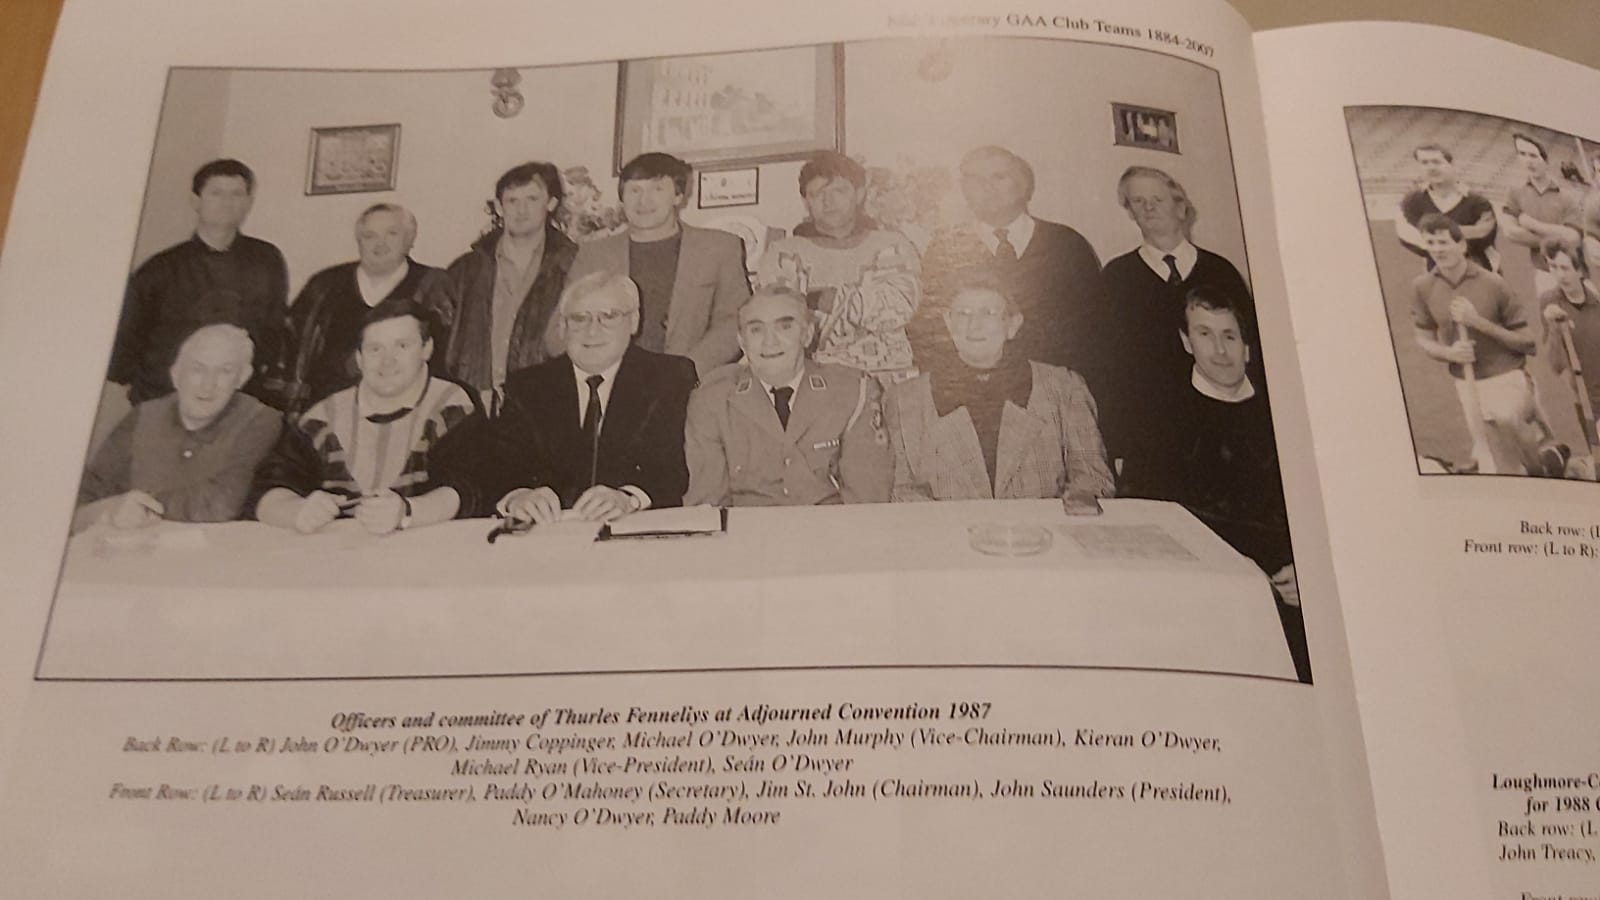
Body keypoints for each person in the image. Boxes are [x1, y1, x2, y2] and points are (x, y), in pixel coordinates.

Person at [1118, 285, 1305, 680]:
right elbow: (1142, 524)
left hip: (1293, 597)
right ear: (1186, 342)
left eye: (1229, 336)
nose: (1220, 352)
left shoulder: (1287, 410)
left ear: (1248, 347)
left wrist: (1309, 571)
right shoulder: (1159, 418)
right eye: (1205, 334)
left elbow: (1325, 510)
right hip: (1198, 600)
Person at [452, 271, 697, 523]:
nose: (592, 331)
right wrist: (519, 495)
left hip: (633, 532)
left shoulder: (668, 377)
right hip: (549, 535)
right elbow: (501, 466)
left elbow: (670, 468)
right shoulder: (528, 386)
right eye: (579, 319)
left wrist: (627, 497)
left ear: (633, 321)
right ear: (561, 327)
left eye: (609, 316)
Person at [883, 269, 1113, 505]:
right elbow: (901, 490)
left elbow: (1093, 479)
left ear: (1013, 324)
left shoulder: (1063, 388)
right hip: (947, 537)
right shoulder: (905, 399)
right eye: (963, 313)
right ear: (948, 323)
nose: (974, 325)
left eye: (988, 313)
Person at [251, 297, 477, 534]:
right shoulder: (323, 417)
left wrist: (408, 511)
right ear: (359, 359)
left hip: (423, 550)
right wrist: (295, 510)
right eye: (375, 349)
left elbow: (468, 486)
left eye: (402, 345)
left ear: (426, 349)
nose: (387, 361)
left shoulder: (452, 404)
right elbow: (268, 487)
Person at [1098, 165, 1257, 467]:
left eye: (1157, 199)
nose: (1148, 207)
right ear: (1130, 212)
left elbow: (1252, 354)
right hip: (1152, 438)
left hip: (1223, 430)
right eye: (1137, 201)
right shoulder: (1116, 277)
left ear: (1181, 207)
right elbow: (1107, 367)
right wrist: (1117, 443)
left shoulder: (1220, 271)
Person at [685, 286, 892, 507]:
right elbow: (707, 508)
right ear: (742, 342)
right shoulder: (712, 400)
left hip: (831, 533)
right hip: (748, 536)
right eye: (756, 330)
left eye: (785, 326)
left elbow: (867, 502)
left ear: (807, 334)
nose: (770, 341)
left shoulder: (852, 392)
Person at [108, 158, 289, 408]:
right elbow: (125, 346)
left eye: (237, 194)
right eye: (216, 193)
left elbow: (273, 328)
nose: (227, 202)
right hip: (167, 399)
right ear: (196, 201)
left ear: (248, 202)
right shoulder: (160, 269)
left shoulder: (266, 259)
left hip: (240, 400)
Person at [73, 323, 281, 534]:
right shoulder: (144, 416)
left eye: (225, 371)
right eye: (198, 369)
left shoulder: (259, 420)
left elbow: (219, 505)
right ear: (176, 374)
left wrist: (138, 506)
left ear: (242, 377)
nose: (208, 386)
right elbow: (85, 495)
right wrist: (107, 510)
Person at [554, 152, 749, 377]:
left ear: (678, 196)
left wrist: (687, 369)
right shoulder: (593, 254)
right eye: (634, 190)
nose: (643, 201)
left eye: (657, 189)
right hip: (616, 386)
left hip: (694, 383)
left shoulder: (719, 247)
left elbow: (735, 321)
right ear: (622, 198)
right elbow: (559, 329)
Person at [914, 145, 1104, 375]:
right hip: (974, 391)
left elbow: (1095, 328)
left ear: (1023, 185)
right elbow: (929, 329)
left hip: (1055, 391)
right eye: (975, 179)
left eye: (999, 177)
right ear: (964, 189)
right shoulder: (945, 247)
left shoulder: (1068, 245)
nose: (987, 188)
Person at [755, 151, 921, 383]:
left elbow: (896, 309)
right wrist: (859, 303)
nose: (828, 201)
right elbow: (782, 323)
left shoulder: (891, 245)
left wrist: (824, 298)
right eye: (817, 194)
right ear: (806, 202)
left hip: (888, 379)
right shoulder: (783, 254)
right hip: (813, 383)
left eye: (839, 191)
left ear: (859, 194)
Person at [1410, 213, 1553, 476]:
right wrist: (1448, 352)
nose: (1437, 249)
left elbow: (1528, 343)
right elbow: (1424, 338)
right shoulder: (1422, 287)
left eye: (1443, 242)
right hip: (1467, 383)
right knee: (1496, 461)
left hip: (1507, 376)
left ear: (1461, 245)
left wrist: (1476, 322)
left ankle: (1541, 463)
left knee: (1508, 421)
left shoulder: (1493, 283)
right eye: (1430, 243)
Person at [282, 203, 453, 414]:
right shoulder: (326, 284)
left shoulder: (434, 285)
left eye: (392, 233)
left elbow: (447, 357)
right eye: (369, 235)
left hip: (407, 410)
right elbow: (293, 346)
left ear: (410, 239)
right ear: (359, 240)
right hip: (329, 408)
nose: (380, 243)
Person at [443, 162, 578, 411]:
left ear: (551, 203)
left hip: (544, 401)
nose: (521, 210)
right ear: (498, 207)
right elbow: (439, 337)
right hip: (472, 401)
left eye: (531, 199)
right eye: (512, 200)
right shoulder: (465, 270)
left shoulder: (573, 266)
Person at [1499, 133, 1580, 299]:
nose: (1529, 161)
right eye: (1522, 154)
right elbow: (1511, 232)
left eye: (1534, 155)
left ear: (1546, 159)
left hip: (1567, 270)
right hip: (1535, 271)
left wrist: (1532, 224)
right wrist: (1557, 238)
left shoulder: (1566, 195)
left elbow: (1573, 238)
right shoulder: (1515, 192)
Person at [1396, 143, 1499, 272]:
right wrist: (1461, 233)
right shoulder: (1413, 201)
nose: (1431, 168)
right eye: (1424, 163)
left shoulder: (1477, 202)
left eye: (1436, 162)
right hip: (1436, 273)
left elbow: (1483, 236)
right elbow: (1407, 236)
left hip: (1480, 271)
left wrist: (1433, 236)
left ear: (1451, 164)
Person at [1538, 239, 1600, 448]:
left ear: (1580, 271)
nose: (1559, 275)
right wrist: (1554, 329)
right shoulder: (1549, 303)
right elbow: (1556, 367)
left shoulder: (1597, 298)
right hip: (1587, 400)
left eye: (1565, 268)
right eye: (1553, 267)